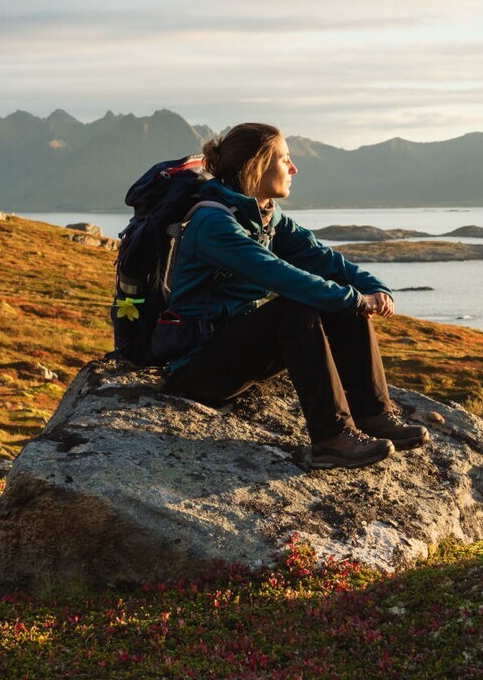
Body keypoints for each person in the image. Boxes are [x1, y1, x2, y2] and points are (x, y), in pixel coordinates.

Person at [155, 122, 428, 469]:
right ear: (255, 165)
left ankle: (372, 414)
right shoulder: (214, 224)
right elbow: (281, 276)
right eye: (285, 160)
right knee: (298, 307)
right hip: (199, 368)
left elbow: (323, 259)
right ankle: (332, 438)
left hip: (238, 349)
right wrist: (355, 299)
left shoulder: (265, 216)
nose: (294, 168)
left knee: (340, 303)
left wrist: (373, 288)